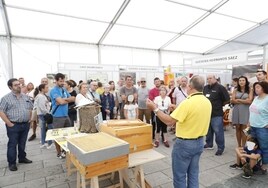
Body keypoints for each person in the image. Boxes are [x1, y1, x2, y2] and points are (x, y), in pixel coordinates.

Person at [146, 75, 212, 188]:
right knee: (193, 174)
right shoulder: (207, 101)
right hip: (200, 141)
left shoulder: (187, 102)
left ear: (190, 86)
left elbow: (169, 121)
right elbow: (193, 115)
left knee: (180, 176)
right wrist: (177, 108)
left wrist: (155, 109)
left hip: (185, 144)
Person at [0, 78, 33, 171]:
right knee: (12, 144)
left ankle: (22, 158)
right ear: (10, 87)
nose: (19, 86)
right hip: (14, 125)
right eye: (16, 85)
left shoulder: (25, 97)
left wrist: (29, 119)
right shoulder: (6, 98)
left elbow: (30, 108)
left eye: (19, 84)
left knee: (22, 143)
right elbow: (1, 111)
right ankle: (12, 163)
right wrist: (9, 123)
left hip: (25, 124)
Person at [50, 73, 75, 159]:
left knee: (67, 134)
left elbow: (73, 98)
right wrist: (64, 100)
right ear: (56, 81)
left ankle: (65, 150)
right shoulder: (53, 91)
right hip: (57, 116)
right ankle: (58, 152)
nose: (62, 83)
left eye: (63, 81)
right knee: (57, 135)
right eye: (60, 81)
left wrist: (64, 100)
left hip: (65, 115)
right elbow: (60, 102)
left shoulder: (64, 89)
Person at [203, 75, 230, 156]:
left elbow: (227, 99)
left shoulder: (220, 87)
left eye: (210, 78)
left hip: (216, 113)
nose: (209, 80)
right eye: (207, 78)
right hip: (207, 113)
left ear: (215, 79)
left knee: (218, 132)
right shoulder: (205, 88)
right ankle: (209, 144)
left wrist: (219, 105)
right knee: (208, 131)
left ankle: (220, 148)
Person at [248, 81, 268, 173]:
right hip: (252, 126)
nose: (256, 89)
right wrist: (249, 122)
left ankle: (265, 164)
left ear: (263, 88)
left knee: (264, 147)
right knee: (251, 146)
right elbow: (252, 111)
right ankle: (252, 163)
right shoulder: (256, 98)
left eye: (258, 87)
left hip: (262, 128)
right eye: (255, 87)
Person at [231, 76, 253, 147]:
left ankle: (243, 145)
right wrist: (244, 101)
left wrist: (239, 100)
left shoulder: (250, 89)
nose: (241, 82)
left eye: (243, 80)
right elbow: (232, 100)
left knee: (244, 129)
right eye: (240, 80)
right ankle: (239, 145)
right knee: (238, 128)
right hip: (236, 110)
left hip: (245, 110)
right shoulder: (235, 90)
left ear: (246, 81)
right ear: (238, 82)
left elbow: (250, 101)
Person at [35, 84, 53, 149]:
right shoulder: (41, 97)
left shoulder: (42, 96)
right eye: (46, 88)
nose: (48, 89)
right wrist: (47, 113)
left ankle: (44, 142)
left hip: (42, 113)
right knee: (49, 128)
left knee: (43, 129)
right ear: (42, 89)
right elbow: (42, 106)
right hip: (44, 114)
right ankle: (49, 143)